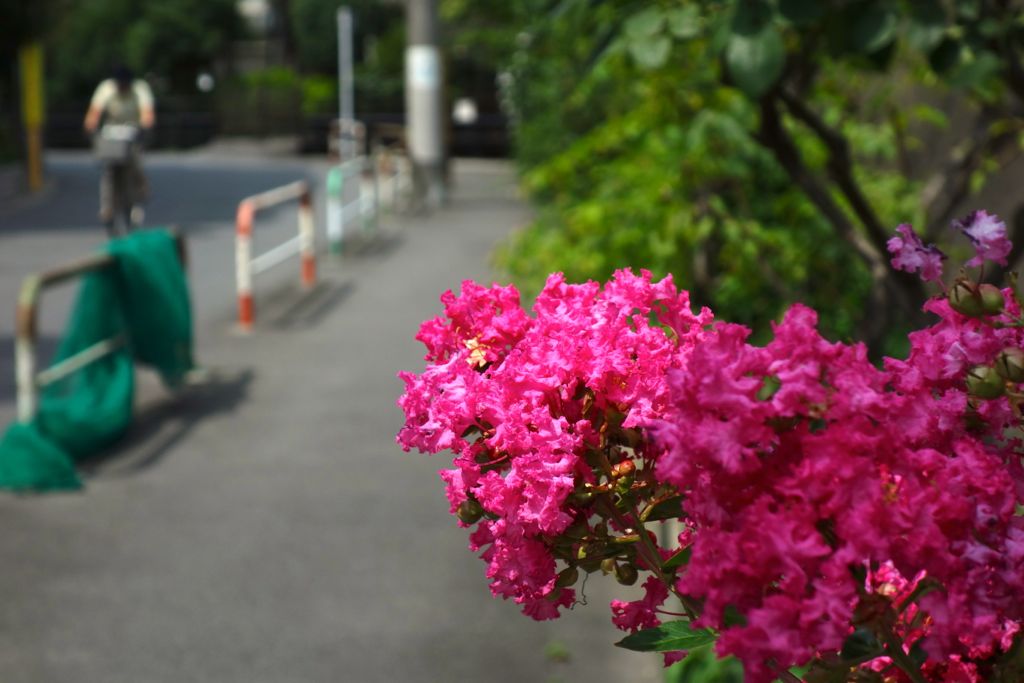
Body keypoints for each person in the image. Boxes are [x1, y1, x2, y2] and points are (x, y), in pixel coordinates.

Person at [83, 65, 155, 233]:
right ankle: (107, 209)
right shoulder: (106, 89)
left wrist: (144, 127)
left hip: (132, 136)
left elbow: (147, 114)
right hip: (111, 138)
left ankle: (138, 199)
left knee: (135, 168)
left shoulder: (139, 90)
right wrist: (91, 128)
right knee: (108, 174)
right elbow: (93, 114)